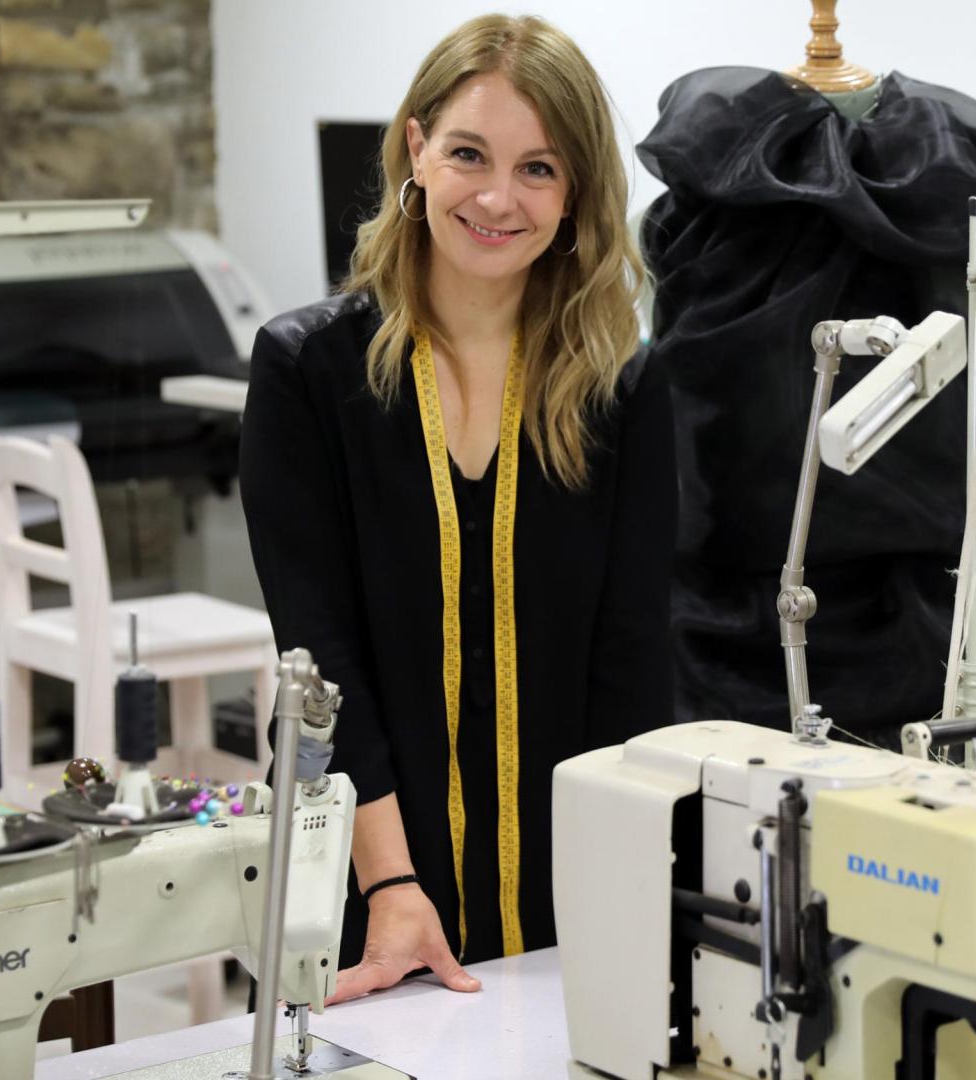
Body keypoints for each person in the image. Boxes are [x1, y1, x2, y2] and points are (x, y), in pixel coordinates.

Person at [239, 13, 674, 1003]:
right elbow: (320, 661)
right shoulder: (308, 372)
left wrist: (625, 893)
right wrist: (392, 887)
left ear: (576, 193)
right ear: (416, 151)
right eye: (469, 154)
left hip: (571, 895)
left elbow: (632, 673)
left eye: (538, 169)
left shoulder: (624, 390)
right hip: (364, 890)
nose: (496, 198)